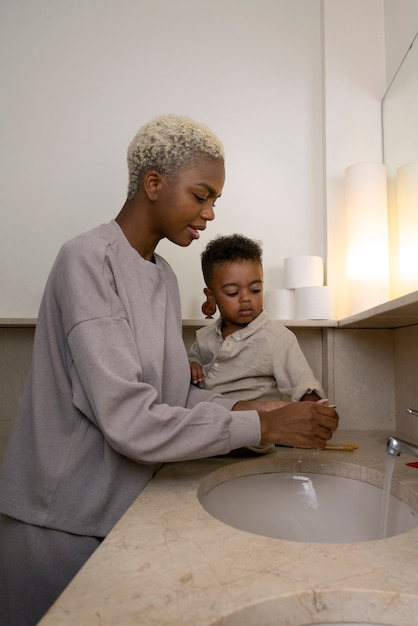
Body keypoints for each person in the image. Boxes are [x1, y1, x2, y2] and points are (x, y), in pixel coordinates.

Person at [0, 114, 338, 625]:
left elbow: (173, 396)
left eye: (214, 201)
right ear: (153, 184)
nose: (209, 213)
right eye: (201, 195)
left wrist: (258, 408)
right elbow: (131, 421)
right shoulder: (87, 261)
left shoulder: (159, 276)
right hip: (58, 520)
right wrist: (262, 423)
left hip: (115, 510)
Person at [188, 233, 327, 452]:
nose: (246, 298)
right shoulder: (204, 337)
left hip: (252, 441)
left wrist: (313, 411)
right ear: (211, 296)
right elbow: (191, 362)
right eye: (233, 292)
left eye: (255, 290)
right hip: (210, 436)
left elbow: (303, 383)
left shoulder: (277, 338)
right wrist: (191, 365)